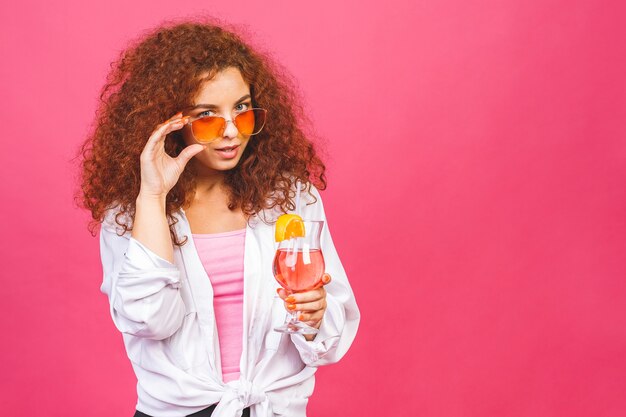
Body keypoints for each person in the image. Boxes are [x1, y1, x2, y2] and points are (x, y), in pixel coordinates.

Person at [78, 17, 360, 417]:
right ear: (172, 122)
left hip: (274, 409)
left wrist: (316, 314)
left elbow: (329, 336)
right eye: (208, 115)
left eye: (242, 110)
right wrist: (153, 195)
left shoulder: (291, 198)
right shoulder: (134, 209)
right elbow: (149, 320)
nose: (232, 131)